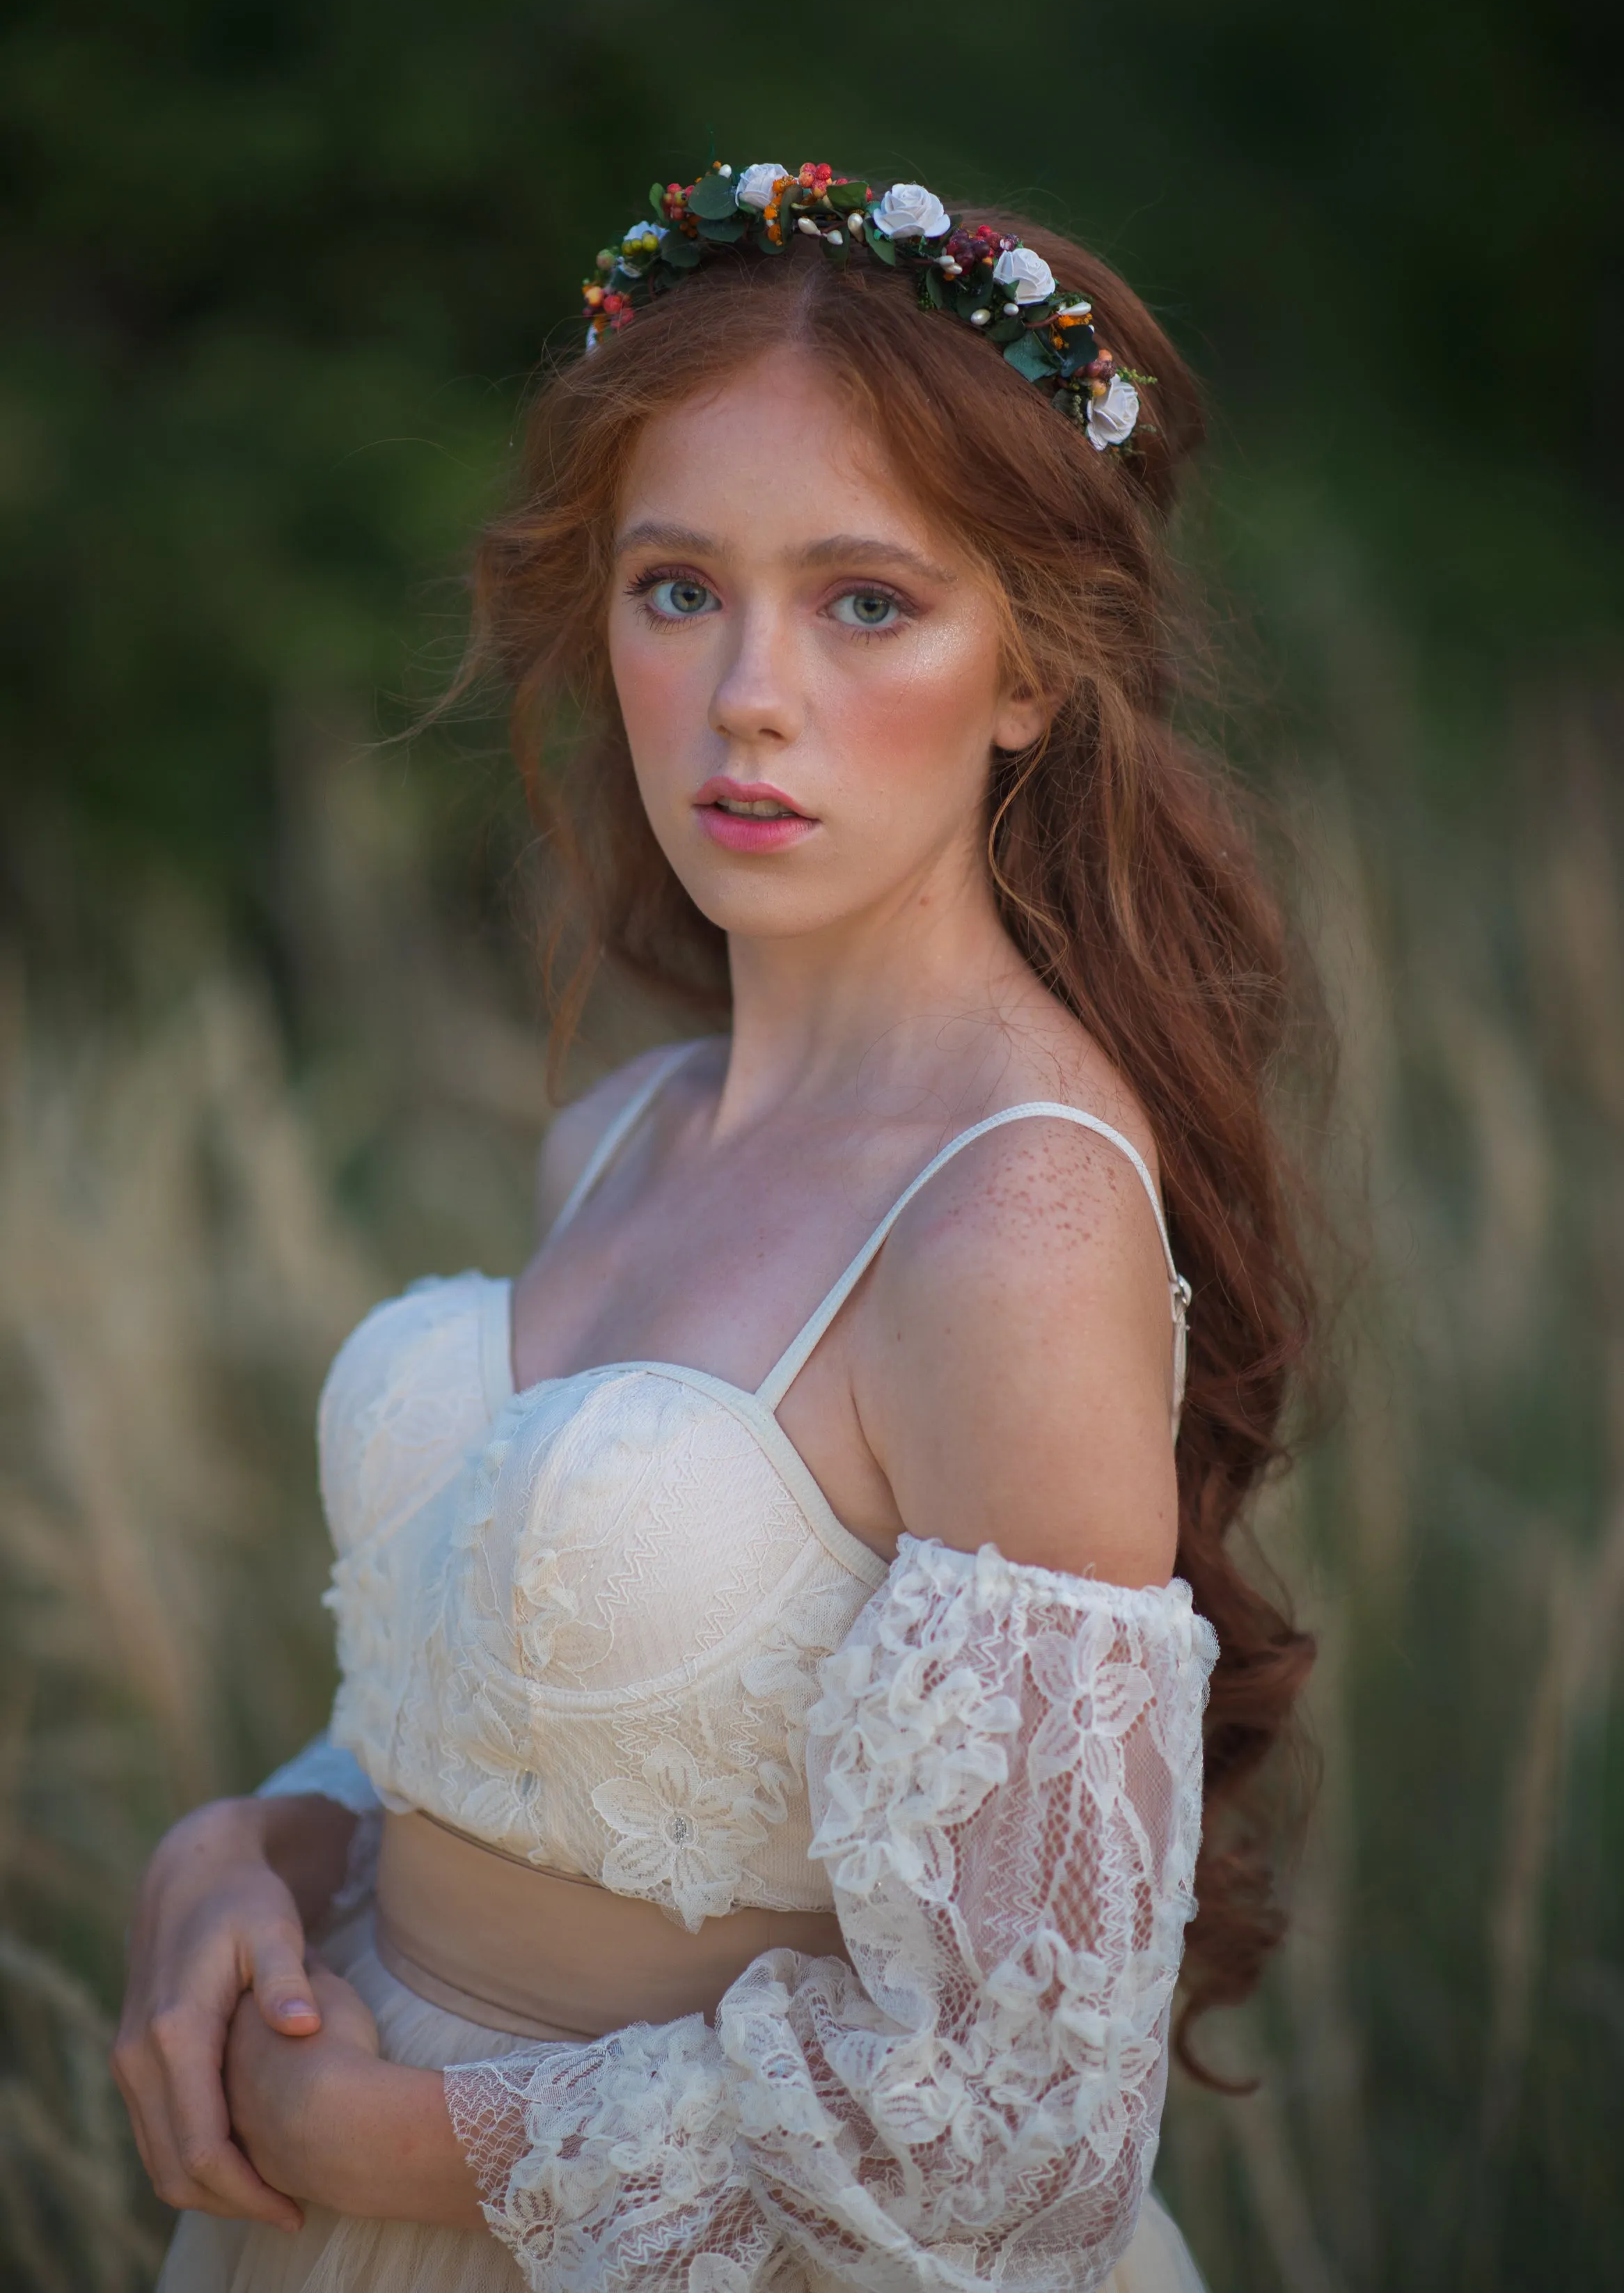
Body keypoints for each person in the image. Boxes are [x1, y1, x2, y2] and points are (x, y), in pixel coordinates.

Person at [113, 163, 1316, 2293]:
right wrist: (255, 1844)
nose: (748, 693)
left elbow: (1022, 2139)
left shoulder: (1008, 1218)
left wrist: (392, 2133)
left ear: (1031, 665)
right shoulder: (623, 1130)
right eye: (678, 588)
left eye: (865, 601)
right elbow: (532, 1719)